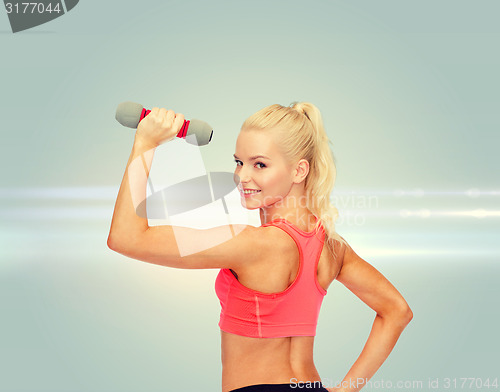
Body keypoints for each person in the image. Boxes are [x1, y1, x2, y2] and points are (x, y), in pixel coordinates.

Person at [107, 102, 413, 392]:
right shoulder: (332, 245)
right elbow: (396, 311)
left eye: (260, 164)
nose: (242, 176)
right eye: (239, 162)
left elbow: (126, 238)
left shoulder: (254, 244)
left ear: (299, 171)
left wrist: (145, 143)